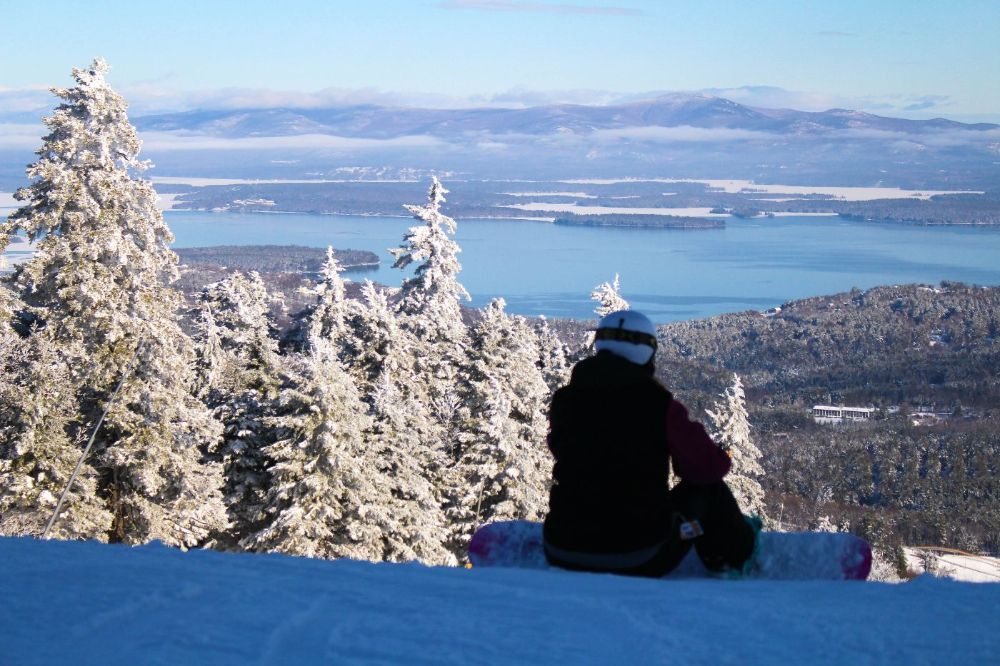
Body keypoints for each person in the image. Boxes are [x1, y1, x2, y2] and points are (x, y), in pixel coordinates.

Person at [543, 309, 759, 577]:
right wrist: (721, 457)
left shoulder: (565, 401)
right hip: (641, 555)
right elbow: (706, 470)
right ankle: (733, 556)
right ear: (648, 352)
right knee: (709, 492)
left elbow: (559, 447)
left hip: (561, 549)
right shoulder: (659, 406)